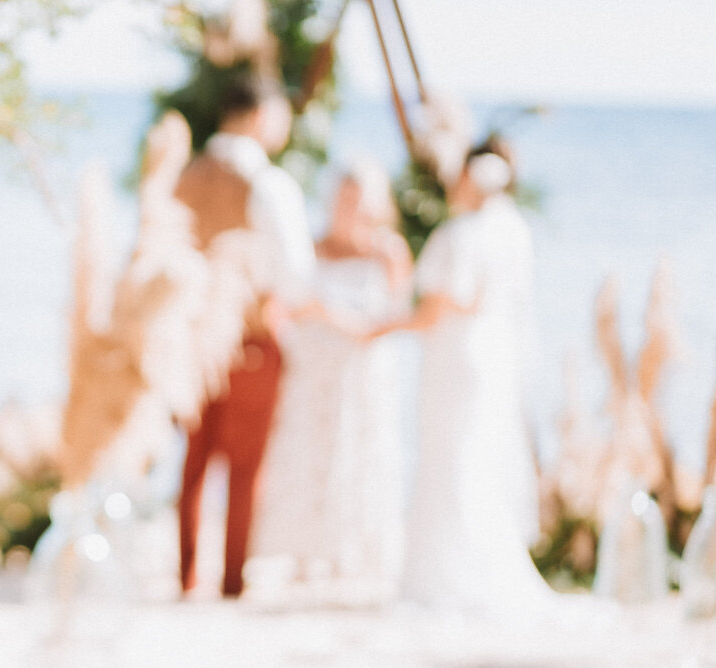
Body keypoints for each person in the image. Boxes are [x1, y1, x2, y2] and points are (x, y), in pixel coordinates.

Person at [370, 141, 553, 617]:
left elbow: (446, 304)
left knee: (450, 458)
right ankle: (475, 565)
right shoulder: (515, 230)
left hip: (456, 360)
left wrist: (381, 326)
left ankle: (444, 574)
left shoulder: (461, 234)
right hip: (492, 360)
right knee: (477, 459)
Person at [173, 72, 314, 598]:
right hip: (251, 334)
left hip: (189, 337)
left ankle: (186, 576)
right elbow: (296, 275)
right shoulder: (269, 184)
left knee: (194, 462)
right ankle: (232, 582)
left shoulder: (185, 175)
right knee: (246, 467)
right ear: (261, 115)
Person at [249, 159, 411, 597]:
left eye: (360, 200)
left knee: (361, 453)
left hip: (365, 371)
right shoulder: (313, 247)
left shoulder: (389, 251)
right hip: (316, 368)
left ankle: (355, 551)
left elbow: (403, 313)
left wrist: (361, 330)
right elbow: (290, 304)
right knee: (310, 452)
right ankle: (305, 551)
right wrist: (329, 320)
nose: (351, 208)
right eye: (345, 198)